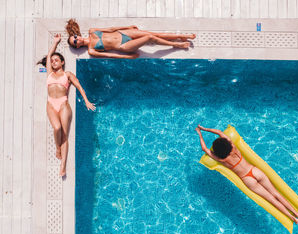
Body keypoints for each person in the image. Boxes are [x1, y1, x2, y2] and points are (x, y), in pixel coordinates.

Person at [195, 125, 298, 224]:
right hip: (255, 171)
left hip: (247, 179)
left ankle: (293, 218)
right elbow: (219, 132)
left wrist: (199, 134)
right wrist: (204, 129)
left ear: (218, 152)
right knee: (276, 194)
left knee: (271, 199)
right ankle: (297, 214)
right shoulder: (233, 147)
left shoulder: (222, 159)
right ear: (226, 143)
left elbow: (204, 149)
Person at [37, 33, 96, 177]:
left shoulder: (67, 75)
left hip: (63, 104)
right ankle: (58, 148)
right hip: (51, 103)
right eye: (52, 61)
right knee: (56, 127)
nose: (54, 62)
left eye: (57, 60)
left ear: (62, 62)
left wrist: (86, 101)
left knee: (64, 135)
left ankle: (62, 165)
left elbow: (79, 86)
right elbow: (50, 52)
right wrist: (55, 42)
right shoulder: (49, 73)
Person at [65, 19, 196, 59]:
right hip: (123, 47)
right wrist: (128, 57)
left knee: (155, 33)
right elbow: (110, 55)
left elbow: (111, 28)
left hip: (123, 33)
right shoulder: (91, 51)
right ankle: (177, 45)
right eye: (75, 42)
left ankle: (181, 36)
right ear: (77, 46)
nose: (77, 39)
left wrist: (127, 26)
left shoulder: (92, 31)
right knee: (150, 38)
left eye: (75, 37)